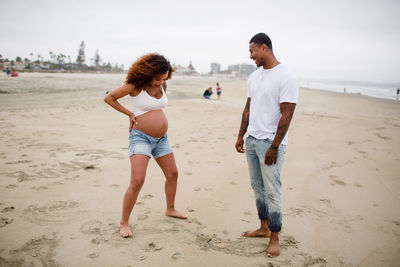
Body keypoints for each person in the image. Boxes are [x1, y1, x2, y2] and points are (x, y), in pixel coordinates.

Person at [104, 53, 187, 238]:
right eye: (157, 78)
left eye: (164, 78)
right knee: (137, 180)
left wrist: (161, 82)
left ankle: (170, 209)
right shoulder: (135, 86)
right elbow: (109, 98)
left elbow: (157, 103)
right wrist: (129, 114)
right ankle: (124, 222)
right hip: (140, 137)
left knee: (173, 174)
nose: (160, 82)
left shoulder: (162, 84)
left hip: (162, 139)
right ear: (147, 72)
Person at [235, 33, 298, 258]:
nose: (250, 56)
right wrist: (241, 135)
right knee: (257, 186)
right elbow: (248, 108)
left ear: (265, 47)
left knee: (272, 190)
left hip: (270, 143)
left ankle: (274, 237)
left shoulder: (286, 76)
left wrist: (274, 146)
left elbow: (287, 114)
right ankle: (263, 227)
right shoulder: (254, 76)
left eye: (252, 51)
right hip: (252, 140)